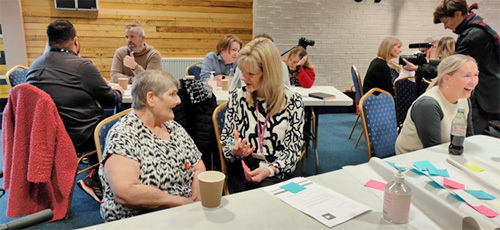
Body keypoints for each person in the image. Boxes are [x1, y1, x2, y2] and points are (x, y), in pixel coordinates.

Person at [26, 20, 124, 202]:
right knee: (122, 123)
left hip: (43, 137)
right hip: (79, 137)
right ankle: (96, 179)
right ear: (75, 41)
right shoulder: (82, 66)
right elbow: (110, 99)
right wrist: (119, 90)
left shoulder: (34, 66)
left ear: (49, 42)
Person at [99, 70, 206, 222]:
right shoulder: (124, 134)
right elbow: (125, 191)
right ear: (151, 98)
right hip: (139, 220)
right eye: (172, 94)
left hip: (180, 213)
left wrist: (195, 201)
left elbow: (198, 168)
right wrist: (179, 202)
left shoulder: (173, 127)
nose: (178, 101)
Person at [220, 38, 305, 193]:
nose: (243, 78)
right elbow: (226, 141)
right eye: (242, 72)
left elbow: (293, 150)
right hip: (247, 168)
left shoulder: (293, 100)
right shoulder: (237, 98)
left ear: (268, 74)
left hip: (281, 168)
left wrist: (270, 170)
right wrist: (234, 149)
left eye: (251, 73)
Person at [406, 1, 500, 135]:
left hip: (482, 96)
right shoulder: (473, 30)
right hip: (481, 91)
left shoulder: (473, 36)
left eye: (446, 22)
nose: (445, 27)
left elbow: (453, 66)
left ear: (457, 14)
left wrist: (418, 69)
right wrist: (427, 63)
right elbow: (452, 62)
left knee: (465, 136)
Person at [395, 54, 478, 154]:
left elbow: (468, 138)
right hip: (414, 162)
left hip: (445, 154)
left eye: (476, 75)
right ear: (446, 78)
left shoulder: (463, 99)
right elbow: (434, 151)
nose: (473, 82)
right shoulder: (428, 105)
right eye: (467, 76)